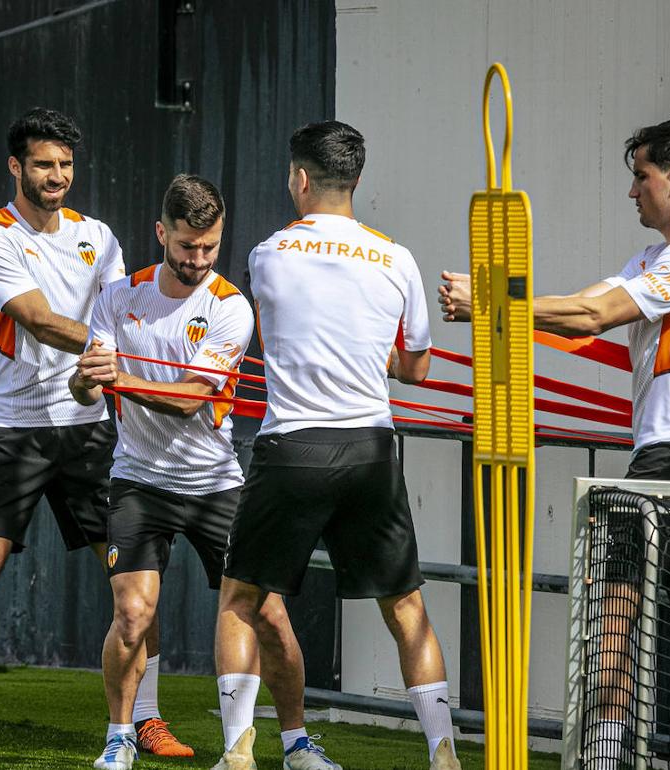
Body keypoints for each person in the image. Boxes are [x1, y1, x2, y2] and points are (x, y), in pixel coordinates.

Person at [438, 116, 670, 770]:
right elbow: (579, 302)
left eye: (642, 176)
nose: (633, 191)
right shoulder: (654, 260)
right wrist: (496, 301)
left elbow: (595, 315)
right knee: (650, 633)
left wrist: (491, 295)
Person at [0, 109, 188, 757]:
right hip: (15, 430)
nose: (56, 177)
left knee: (132, 577)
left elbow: (122, 312)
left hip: (90, 430)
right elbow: (36, 319)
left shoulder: (98, 235)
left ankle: (148, 717)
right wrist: (112, 344)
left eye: (65, 165)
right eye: (43, 165)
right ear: (15, 167)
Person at [213, 121, 461, 770]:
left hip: (293, 444)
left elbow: (269, 340)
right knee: (406, 607)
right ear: (356, 180)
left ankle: (239, 754)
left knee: (240, 599)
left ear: (300, 179)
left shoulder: (267, 255)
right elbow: (416, 369)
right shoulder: (397, 257)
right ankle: (444, 755)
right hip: (371, 448)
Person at [70, 174, 307, 770]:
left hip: (213, 483)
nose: (198, 259)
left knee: (270, 615)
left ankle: (298, 742)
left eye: (209, 246)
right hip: (138, 480)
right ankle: (119, 738)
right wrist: (83, 376)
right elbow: (84, 393)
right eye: (186, 247)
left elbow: (190, 397)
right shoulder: (118, 298)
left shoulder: (229, 306)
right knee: (132, 613)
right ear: (161, 234)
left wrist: (116, 378)